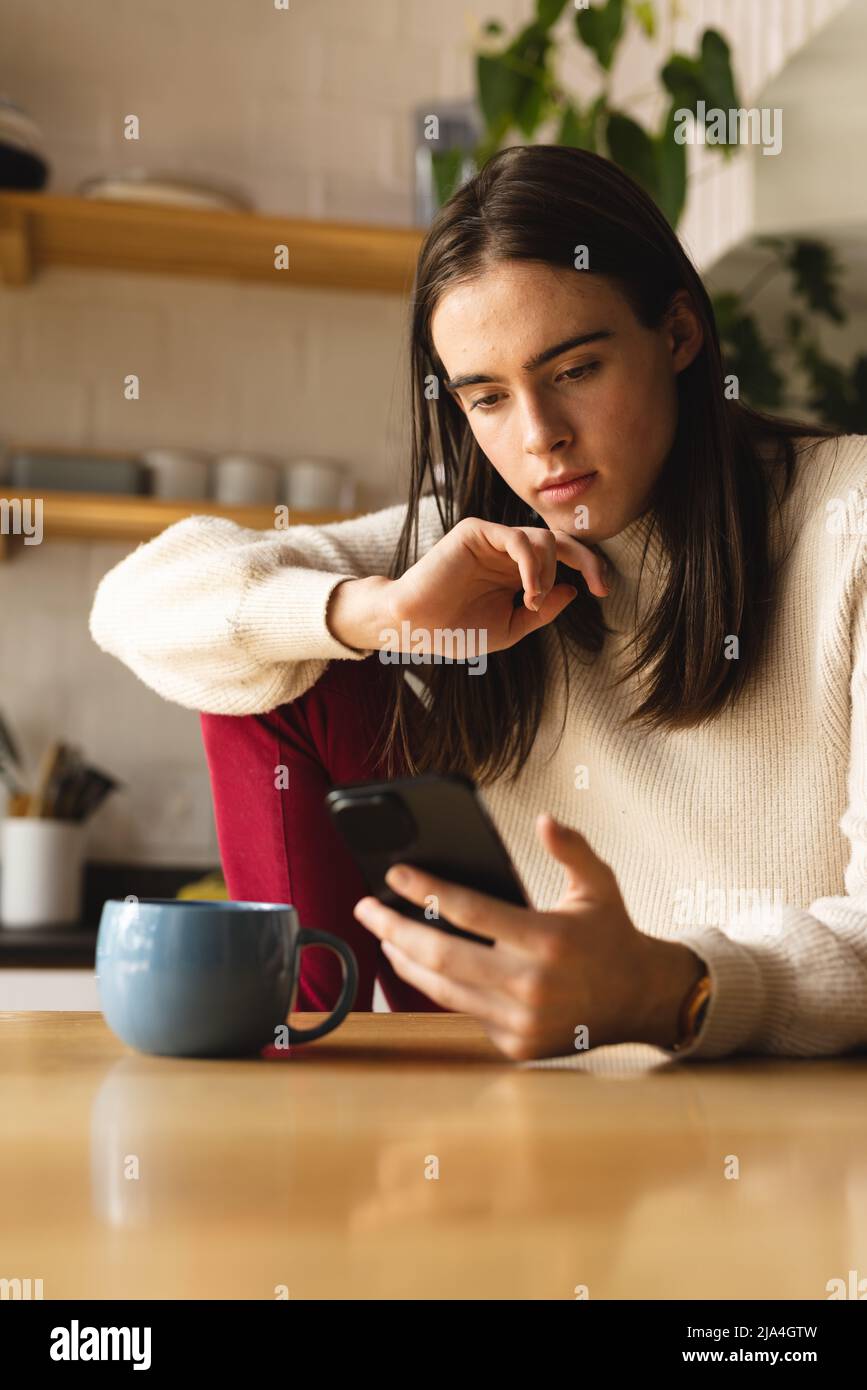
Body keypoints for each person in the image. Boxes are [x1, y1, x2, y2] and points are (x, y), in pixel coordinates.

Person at [90, 144, 866, 1066]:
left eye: (575, 369)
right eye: (488, 398)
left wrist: (668, 985)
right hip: (523, 1085)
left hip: (783, 1123)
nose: (539, 438)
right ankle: (293, 1056)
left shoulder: (845, 521)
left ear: (678, 334)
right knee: (268, 661)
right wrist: (378, 614)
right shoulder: (471, 546)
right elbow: (136, 606)